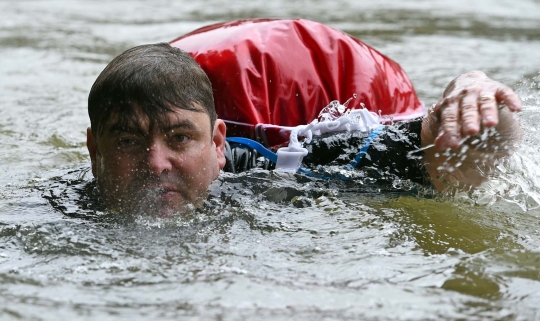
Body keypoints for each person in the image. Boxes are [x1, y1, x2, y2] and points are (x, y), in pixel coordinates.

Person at [86, 19, 522, 216]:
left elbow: (462, 155)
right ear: (93, 150)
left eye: (180, 138)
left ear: (219, 144)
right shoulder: (56, 209)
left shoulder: (275, 177)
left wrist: (474, 95)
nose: (155, 163)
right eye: (127, 141)